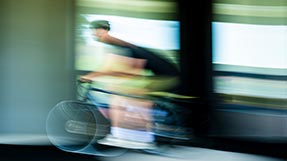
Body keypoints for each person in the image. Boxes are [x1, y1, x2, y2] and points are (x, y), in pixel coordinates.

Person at [80, 20, 180, 149]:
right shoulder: (115, 46)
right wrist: (94, 76)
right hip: (159, 75)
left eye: (97, 31)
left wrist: (91, 76)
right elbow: (113, 69)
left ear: (105, 31)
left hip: (167, 76)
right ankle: (130, 135)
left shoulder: (119, 45)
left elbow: (126, 71)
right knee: (123, 95)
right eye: (94, 32)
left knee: (129, 98)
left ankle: (142, 138)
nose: (95, 35)